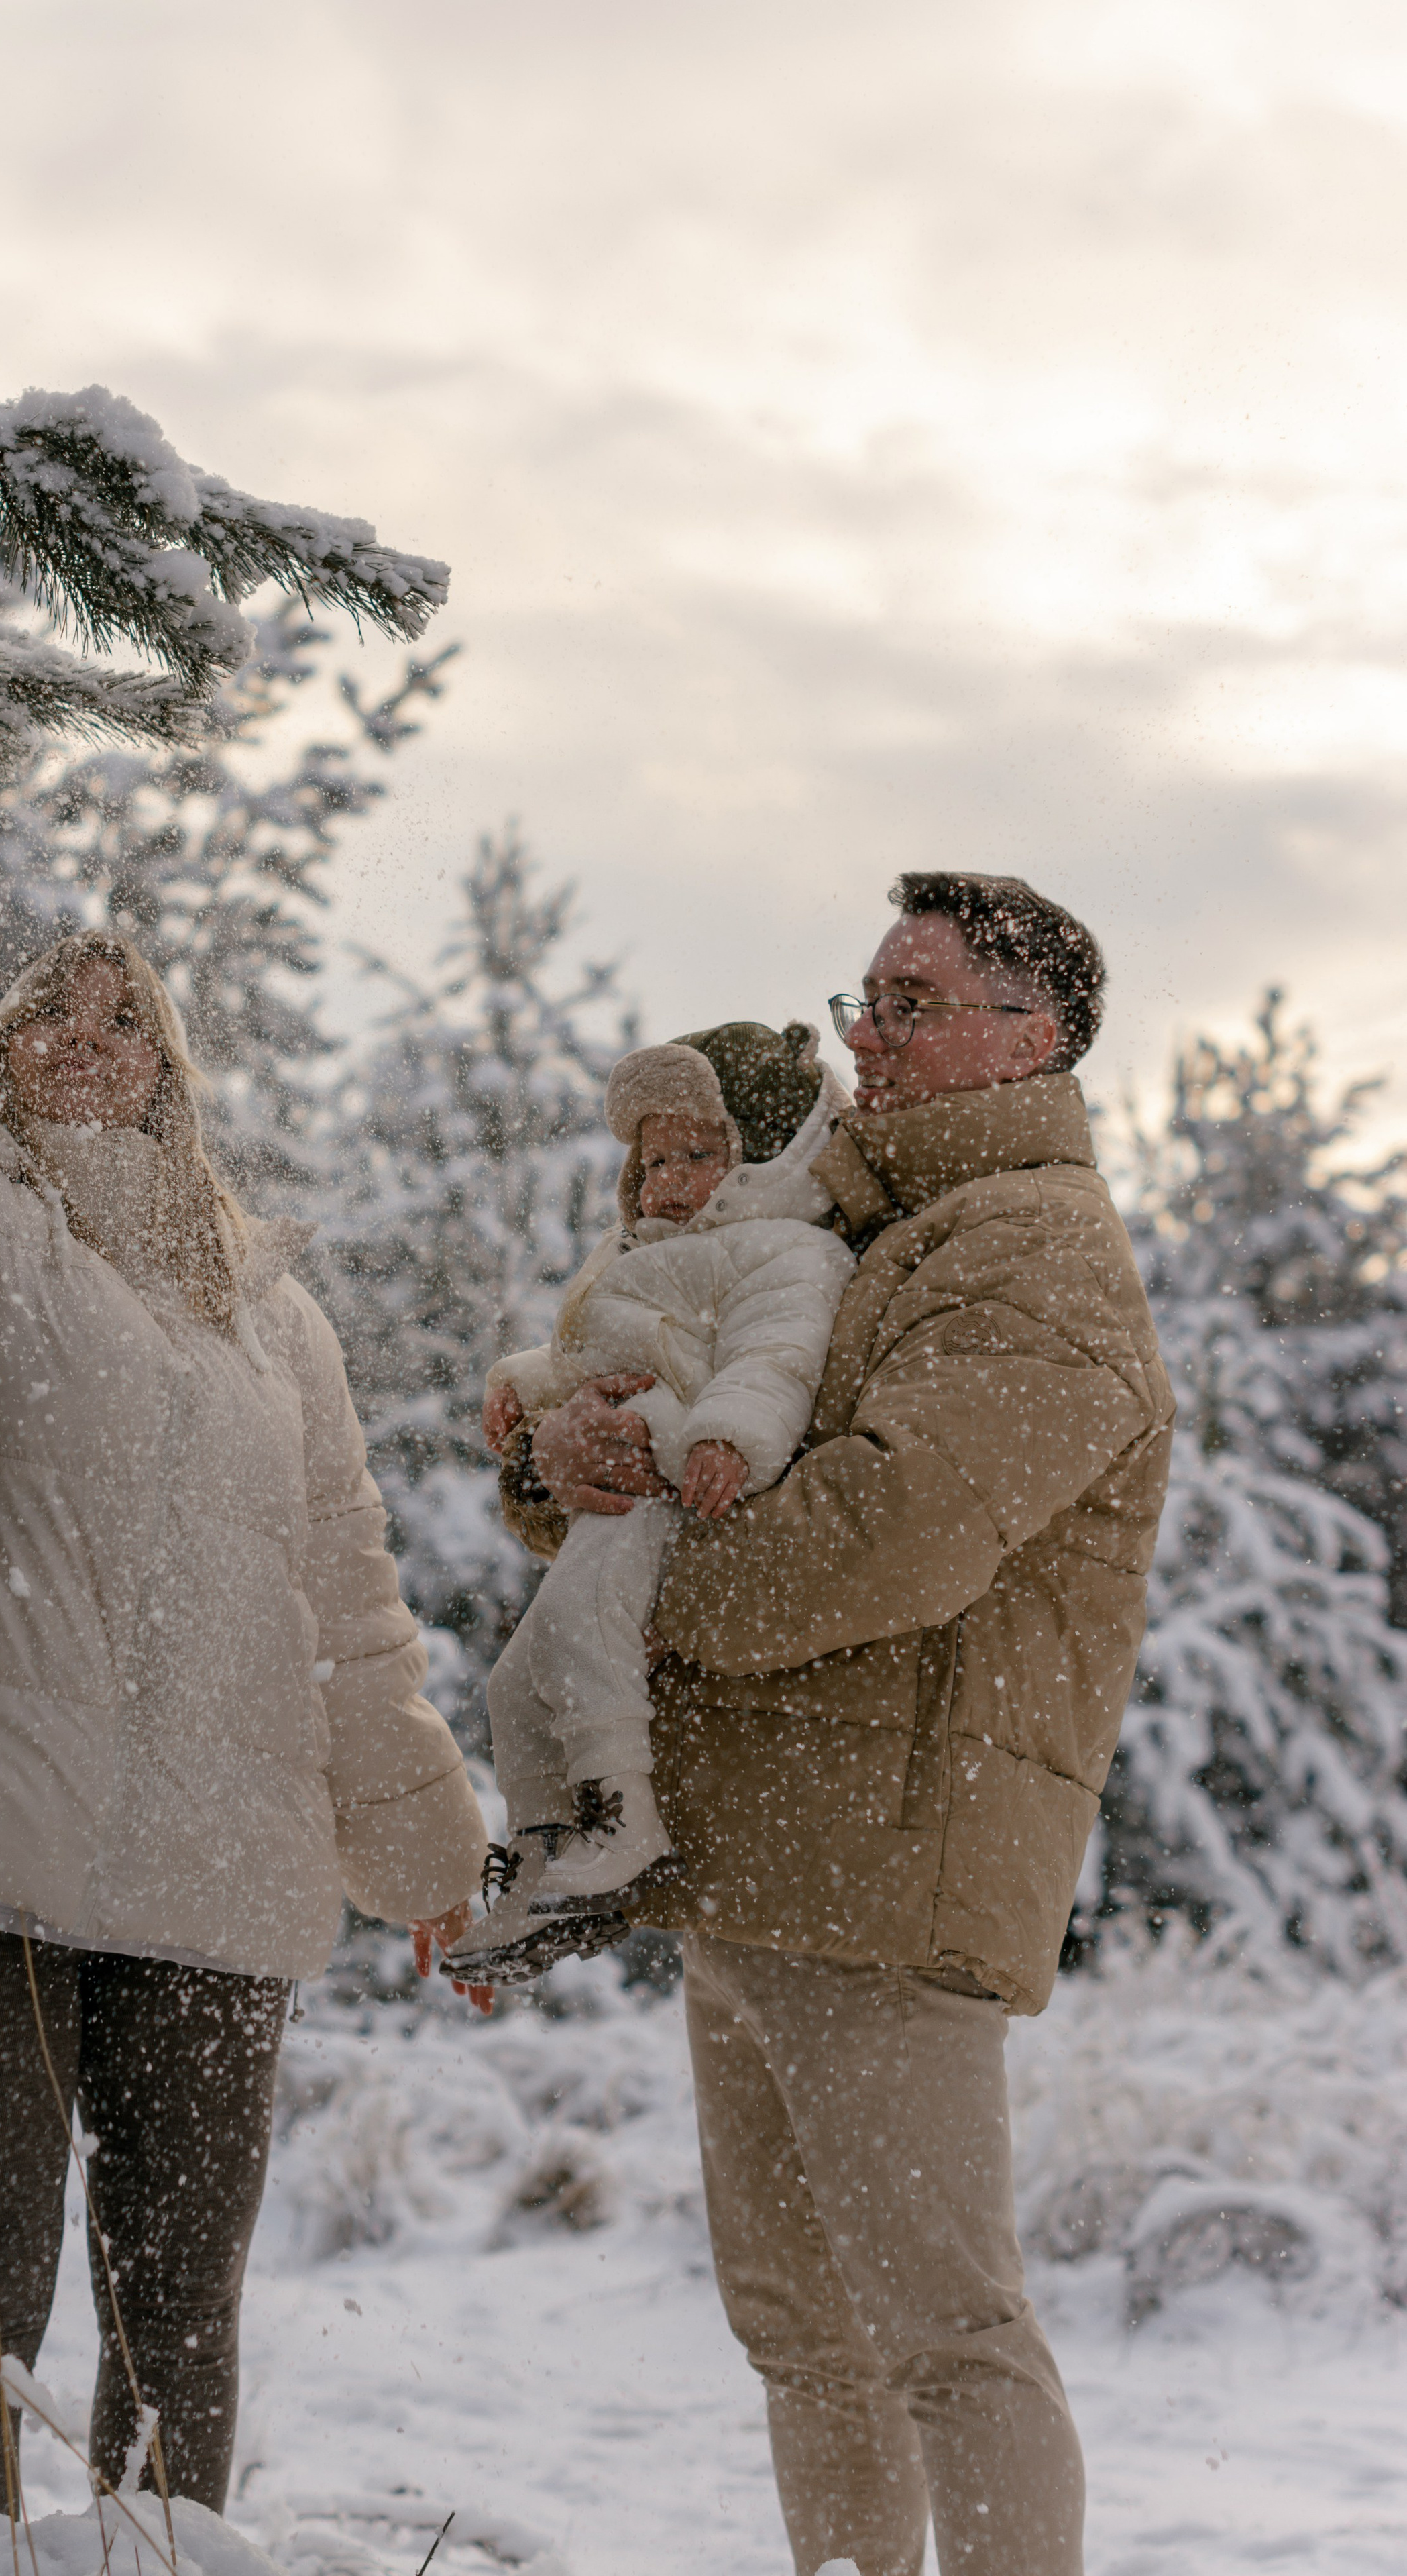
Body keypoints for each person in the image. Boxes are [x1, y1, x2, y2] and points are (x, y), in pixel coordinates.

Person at [0, 656, 491, 2527]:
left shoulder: (273, 1322)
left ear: (175, 1076)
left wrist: (426, 1855)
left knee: (178, 2324)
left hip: (220, 1864)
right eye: (50, 1005)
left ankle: (163, 2572)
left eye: (124, 1017)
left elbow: (351, 1613)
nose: (85, 1030)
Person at [493, 874, 1174, 2576]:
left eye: (908, 1003)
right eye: (860, 996)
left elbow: (889, 1535)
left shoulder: (1033, 1249)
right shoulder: (834, 1227)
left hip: (889, 1878)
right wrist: (558, 1464)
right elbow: (676, 1419)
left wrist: (639, 1583)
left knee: (945, 2333)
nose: (858, 1035)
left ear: (1030, 1038)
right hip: (761, 1861)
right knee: (804, 2336)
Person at [447, 1022, 854, 1973]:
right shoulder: (646, 1253)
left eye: (698, 1154)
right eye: (654, 1157)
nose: (667, 1178)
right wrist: (524, 1382)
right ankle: (547, 1853)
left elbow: (774, 1360)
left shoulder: (786, 1250)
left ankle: (623, 1824)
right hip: (621, 1495)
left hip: (672, 1494)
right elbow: (595, 1359)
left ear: (767, 1153)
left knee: (588, 1636)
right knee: (517, 1679)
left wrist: (727, 1437)